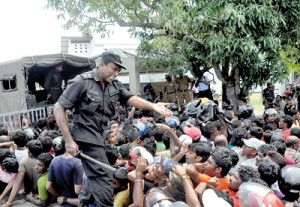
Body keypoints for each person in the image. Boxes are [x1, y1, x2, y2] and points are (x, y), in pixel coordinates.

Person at [54, 51, 173, 206]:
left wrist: (153, 106)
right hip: (86, 137)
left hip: (100, 136)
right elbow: (59, 108)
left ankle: (84, 202)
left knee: (94, 175)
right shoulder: (82, 82)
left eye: (118, 70)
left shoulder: (114, 85)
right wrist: (68, 140)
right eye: (114, 68)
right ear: (101, 65)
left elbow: (131, 98)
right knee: (104, 179)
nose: (116, 73)